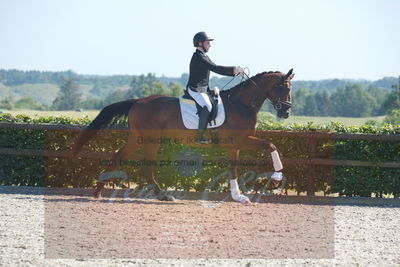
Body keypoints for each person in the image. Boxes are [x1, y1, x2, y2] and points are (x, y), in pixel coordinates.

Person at [187, 31, 245, 144]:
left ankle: (213, 130)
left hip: (203, 89)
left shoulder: (204, 56)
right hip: (195, 89)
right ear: (200, 43)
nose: (210, 45)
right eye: (207, 42)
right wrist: (234, 70)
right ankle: (200, 136)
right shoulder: (198, 57)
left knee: (216, 101)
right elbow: (216, 68)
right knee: (207, 106)